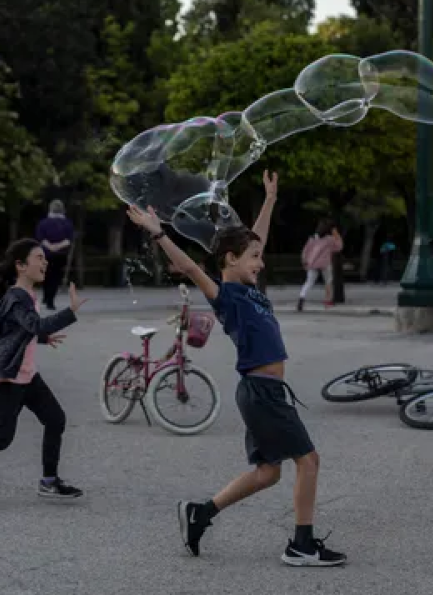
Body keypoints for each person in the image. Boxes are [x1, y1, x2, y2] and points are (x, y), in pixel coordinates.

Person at [125, 169, 346, 567]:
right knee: (308, 461)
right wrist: (159, 234)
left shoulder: (251, 290)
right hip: (262, 393)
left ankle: (200, 513)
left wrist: (270, 200)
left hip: (263, 392)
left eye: (260, 256)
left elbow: (254, 239)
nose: (261, 262)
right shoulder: (227, 295)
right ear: (230, 259)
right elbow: (191, 268)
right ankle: (302, 545)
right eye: (254, 258)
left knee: (267, 473)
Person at [0, 239, 87, 510]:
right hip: (9, 379)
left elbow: (14, 329)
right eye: (39, 258)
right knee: (3, 436)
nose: (45, 262)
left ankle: (49, 481)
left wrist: (42, 339)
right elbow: (34, 325)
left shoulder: (24, 295)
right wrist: (70, 312)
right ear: (21, 266)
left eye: (45, 258)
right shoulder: (17, 297)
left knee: (55, 419)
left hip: (27, 375)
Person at [34, 199, 74, 310]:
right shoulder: (67, 223)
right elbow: (69, 240)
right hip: (60, 254)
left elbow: (41, 238)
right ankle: (50, 301)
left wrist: (50, 246)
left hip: (45, 253)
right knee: (56, 277)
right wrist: (58, 246)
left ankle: (46, 296)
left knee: (45, 275)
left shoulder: (43, 223)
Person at [297, 215, 341, 312]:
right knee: (328, 282)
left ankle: (301, 297)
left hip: (312, 263)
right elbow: (339, 247)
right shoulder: (329, 239)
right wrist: (337, 235)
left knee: (309, 282)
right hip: (325, 263)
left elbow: (305, 251)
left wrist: (304, 261)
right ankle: (327, 302)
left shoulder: (313, 238)